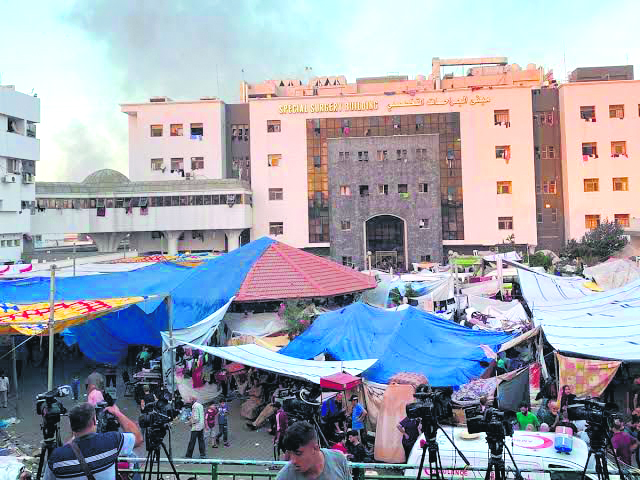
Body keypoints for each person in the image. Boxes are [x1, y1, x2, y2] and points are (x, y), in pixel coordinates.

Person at [43, 402, 143, 480]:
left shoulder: (56, 458)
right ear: (94, 421)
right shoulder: (111, 441)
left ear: (71, 425)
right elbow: (138, 438)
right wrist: (117, 413)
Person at [276, 421, 350, 479]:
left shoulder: (339, 459)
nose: (293, 460)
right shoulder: (286, 476)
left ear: (315, 448)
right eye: (290, 453)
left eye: (298, 453)